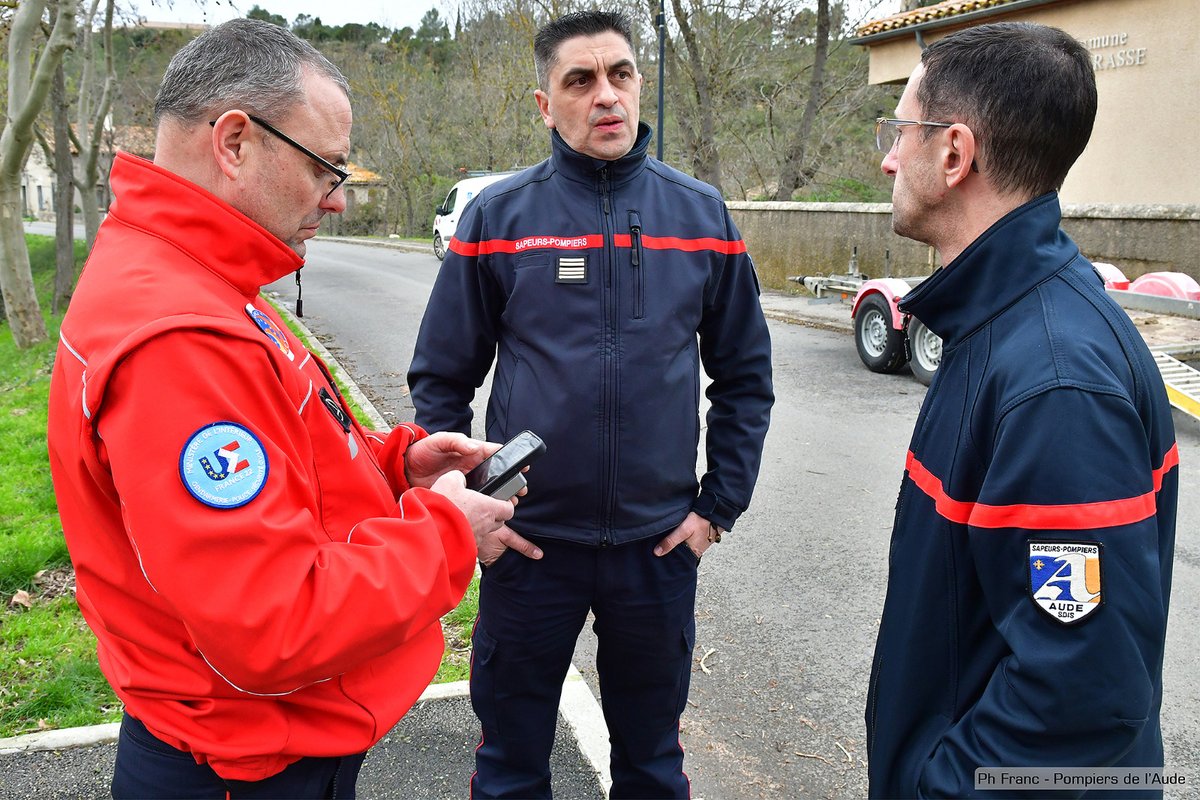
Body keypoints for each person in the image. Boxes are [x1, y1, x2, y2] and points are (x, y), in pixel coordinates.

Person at [46, 18, 535, 798]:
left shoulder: (199, 279)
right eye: (324, 169)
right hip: (248, 764)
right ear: (235, 141)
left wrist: (395, 464)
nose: (335, 201)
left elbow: (282, 454)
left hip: (249, 744)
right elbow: (271, 621)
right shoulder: (183, 338)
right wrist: (447, 531)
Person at [407, 10, 773, 799]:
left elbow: (745, 376)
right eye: (580, 81)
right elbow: (442, 377)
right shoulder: (498, 219)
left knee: (653, 768)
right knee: (508, 771)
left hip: (658, 551)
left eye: (621, 75)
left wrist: (716, 511)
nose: (606, 96)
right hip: (530, 548)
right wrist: (463, 509)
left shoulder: (701, 216)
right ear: (545, 103)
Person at [865, 22, 1177, 798]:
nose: (888, 157)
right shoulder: (997, 325)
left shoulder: (1054, 382)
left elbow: (1083, 696)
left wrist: (936, 787)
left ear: (954, 153)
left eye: (900, 131)